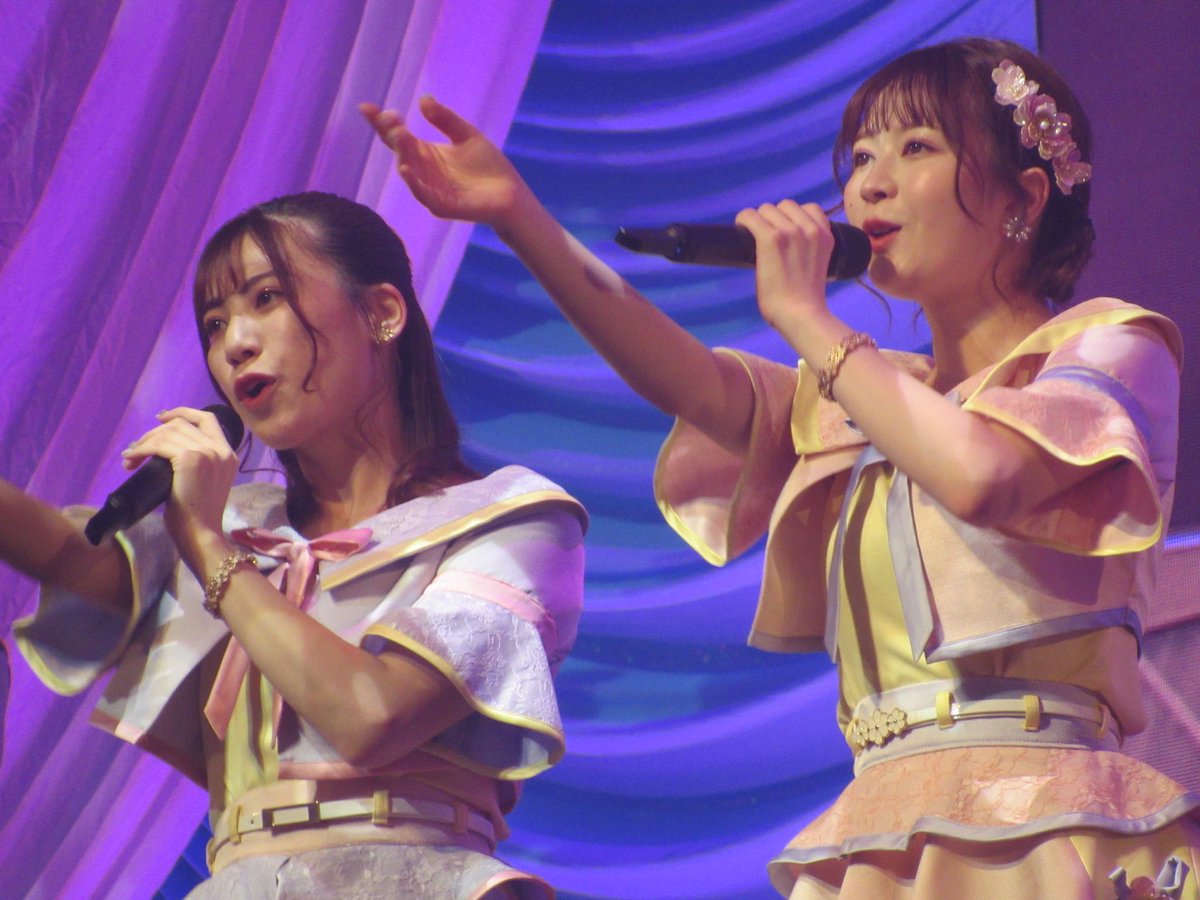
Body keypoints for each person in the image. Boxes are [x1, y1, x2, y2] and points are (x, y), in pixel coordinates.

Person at [362, 36, 1198, 899]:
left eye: (916, 147)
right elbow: (679, 376)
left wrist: (806, 318)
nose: (870, 185)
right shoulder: (869, 393)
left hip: (1042, 816)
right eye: (861, 157)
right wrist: (516, 214)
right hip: (887, 826)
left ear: (1024, 197)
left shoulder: (1108, 346)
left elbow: (980, 476)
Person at [4, 191, 586, 898]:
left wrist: (209, 549)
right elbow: (74, 561)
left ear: (382, 313)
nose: (234, 344)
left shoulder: (513, 520)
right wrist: (204, 533)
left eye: (266, 298)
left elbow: (371, 717)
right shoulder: (235, 520)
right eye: (215, 324)